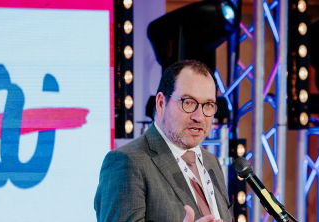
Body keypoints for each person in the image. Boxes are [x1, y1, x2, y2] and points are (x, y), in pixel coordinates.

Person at [95, 60, 232, 222]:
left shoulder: (211, 162)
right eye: (188, 102)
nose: (199, 117)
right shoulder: (127, 162)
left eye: (208, 104)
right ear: (161, 103)